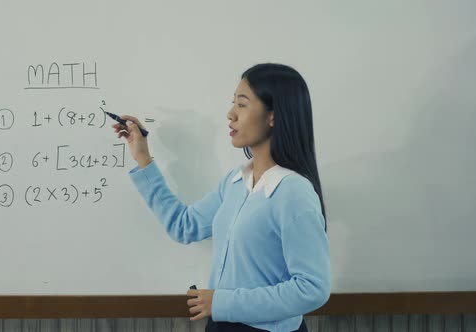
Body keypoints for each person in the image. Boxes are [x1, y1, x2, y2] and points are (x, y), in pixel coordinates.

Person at [111, 63, 330, 332]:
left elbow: (312, 288)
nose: (230, 114)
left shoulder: (293, 192)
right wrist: (143, 157)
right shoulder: (235, 182)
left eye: (242, 104)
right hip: (221, 324)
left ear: (273, 116)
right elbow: (183, 226)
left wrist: (223, 301)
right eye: (233, 104)